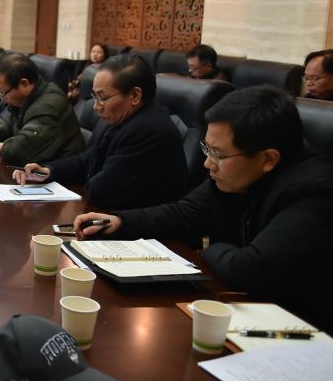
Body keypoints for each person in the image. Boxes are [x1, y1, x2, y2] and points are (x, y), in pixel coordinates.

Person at [75, 86, 333, 331]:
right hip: (240, 307)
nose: (208, 164)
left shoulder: (313, 193)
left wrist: (206, 251)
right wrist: (120, 221)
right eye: (206, 149)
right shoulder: (239, 171)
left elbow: (251, 271)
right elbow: (184, 213)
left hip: (296, 329)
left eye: (218, 154)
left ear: (268, 159)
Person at [14, 55, 186, 209]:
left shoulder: (146, 131)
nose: (96, 106)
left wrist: (88, 177)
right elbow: (87, 159)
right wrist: (48, 170)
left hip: (146, 229)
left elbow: (101, 191)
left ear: (135, 96)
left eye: (102, 98)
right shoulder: (124, 118)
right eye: (95, 97)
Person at [0, 53, 84, 165]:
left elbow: (22, 150)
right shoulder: (26, 98)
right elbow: (10, 119)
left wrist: (4, 147)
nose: (1, 98)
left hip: (59, 169)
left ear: (24, 83)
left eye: (2, 92)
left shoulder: (48, 105)